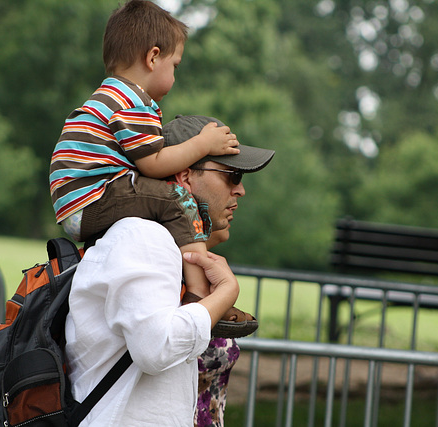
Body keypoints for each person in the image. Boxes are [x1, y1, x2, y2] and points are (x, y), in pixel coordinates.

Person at [48, 0, 252, 335]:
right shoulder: (134, 101)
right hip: (97, 196)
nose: (174, 74)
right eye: (175, 65)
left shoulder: (106, 95)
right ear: (153, 57)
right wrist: (203, 144)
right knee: (177, 200)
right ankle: (200, 296)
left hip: (80, 202)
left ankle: (194, 289)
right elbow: (154, 164)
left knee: (168, 204)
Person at [64, 114, 274, 426]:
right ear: (186, 177)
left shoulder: (158, 241)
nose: (240, 190)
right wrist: (227, 292)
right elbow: (156, 349)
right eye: (233, 176)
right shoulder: (145, 237)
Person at [195, 226, 242, 427]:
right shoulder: (165, 272)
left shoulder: (208, 271)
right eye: (226, 190)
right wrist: (228, 289)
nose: (240, 192)